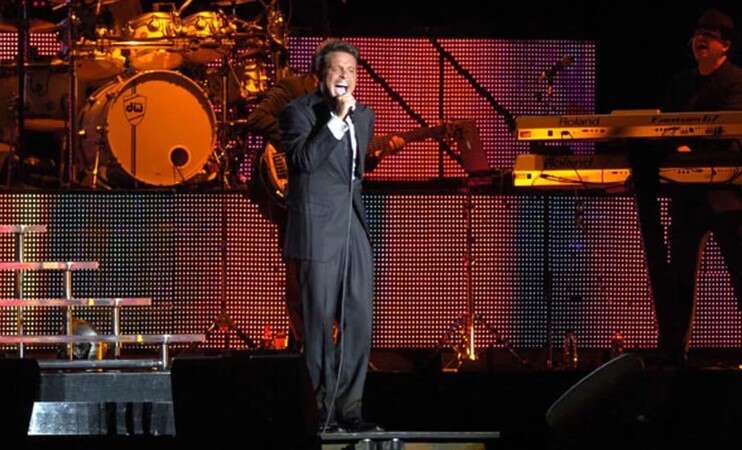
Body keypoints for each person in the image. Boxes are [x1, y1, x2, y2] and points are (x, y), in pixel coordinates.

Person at [279, 39, 380, 432]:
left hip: (352, 225)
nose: (345, 76)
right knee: (319, 322)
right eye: (337, 69)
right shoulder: (298, 112)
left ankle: (350, 409)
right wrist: (336, 119)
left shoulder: (365, 116)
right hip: (317, 229)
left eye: (351, 70)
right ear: (320, 75)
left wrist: (347, 118)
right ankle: (320, 411)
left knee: (358, 319)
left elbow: (353, 176)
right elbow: (304, 161)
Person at [632, 8, 742, 366]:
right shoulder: (681, 83)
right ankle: (673, 358)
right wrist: (675, 147)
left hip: (728, 198)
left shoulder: (737, 81)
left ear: (725, 45)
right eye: (697, 34)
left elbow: (732, 137)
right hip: (687, 198)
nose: (700, 40)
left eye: (709, 35)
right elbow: (663, 129)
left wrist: (691, 149)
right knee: (678, 282)